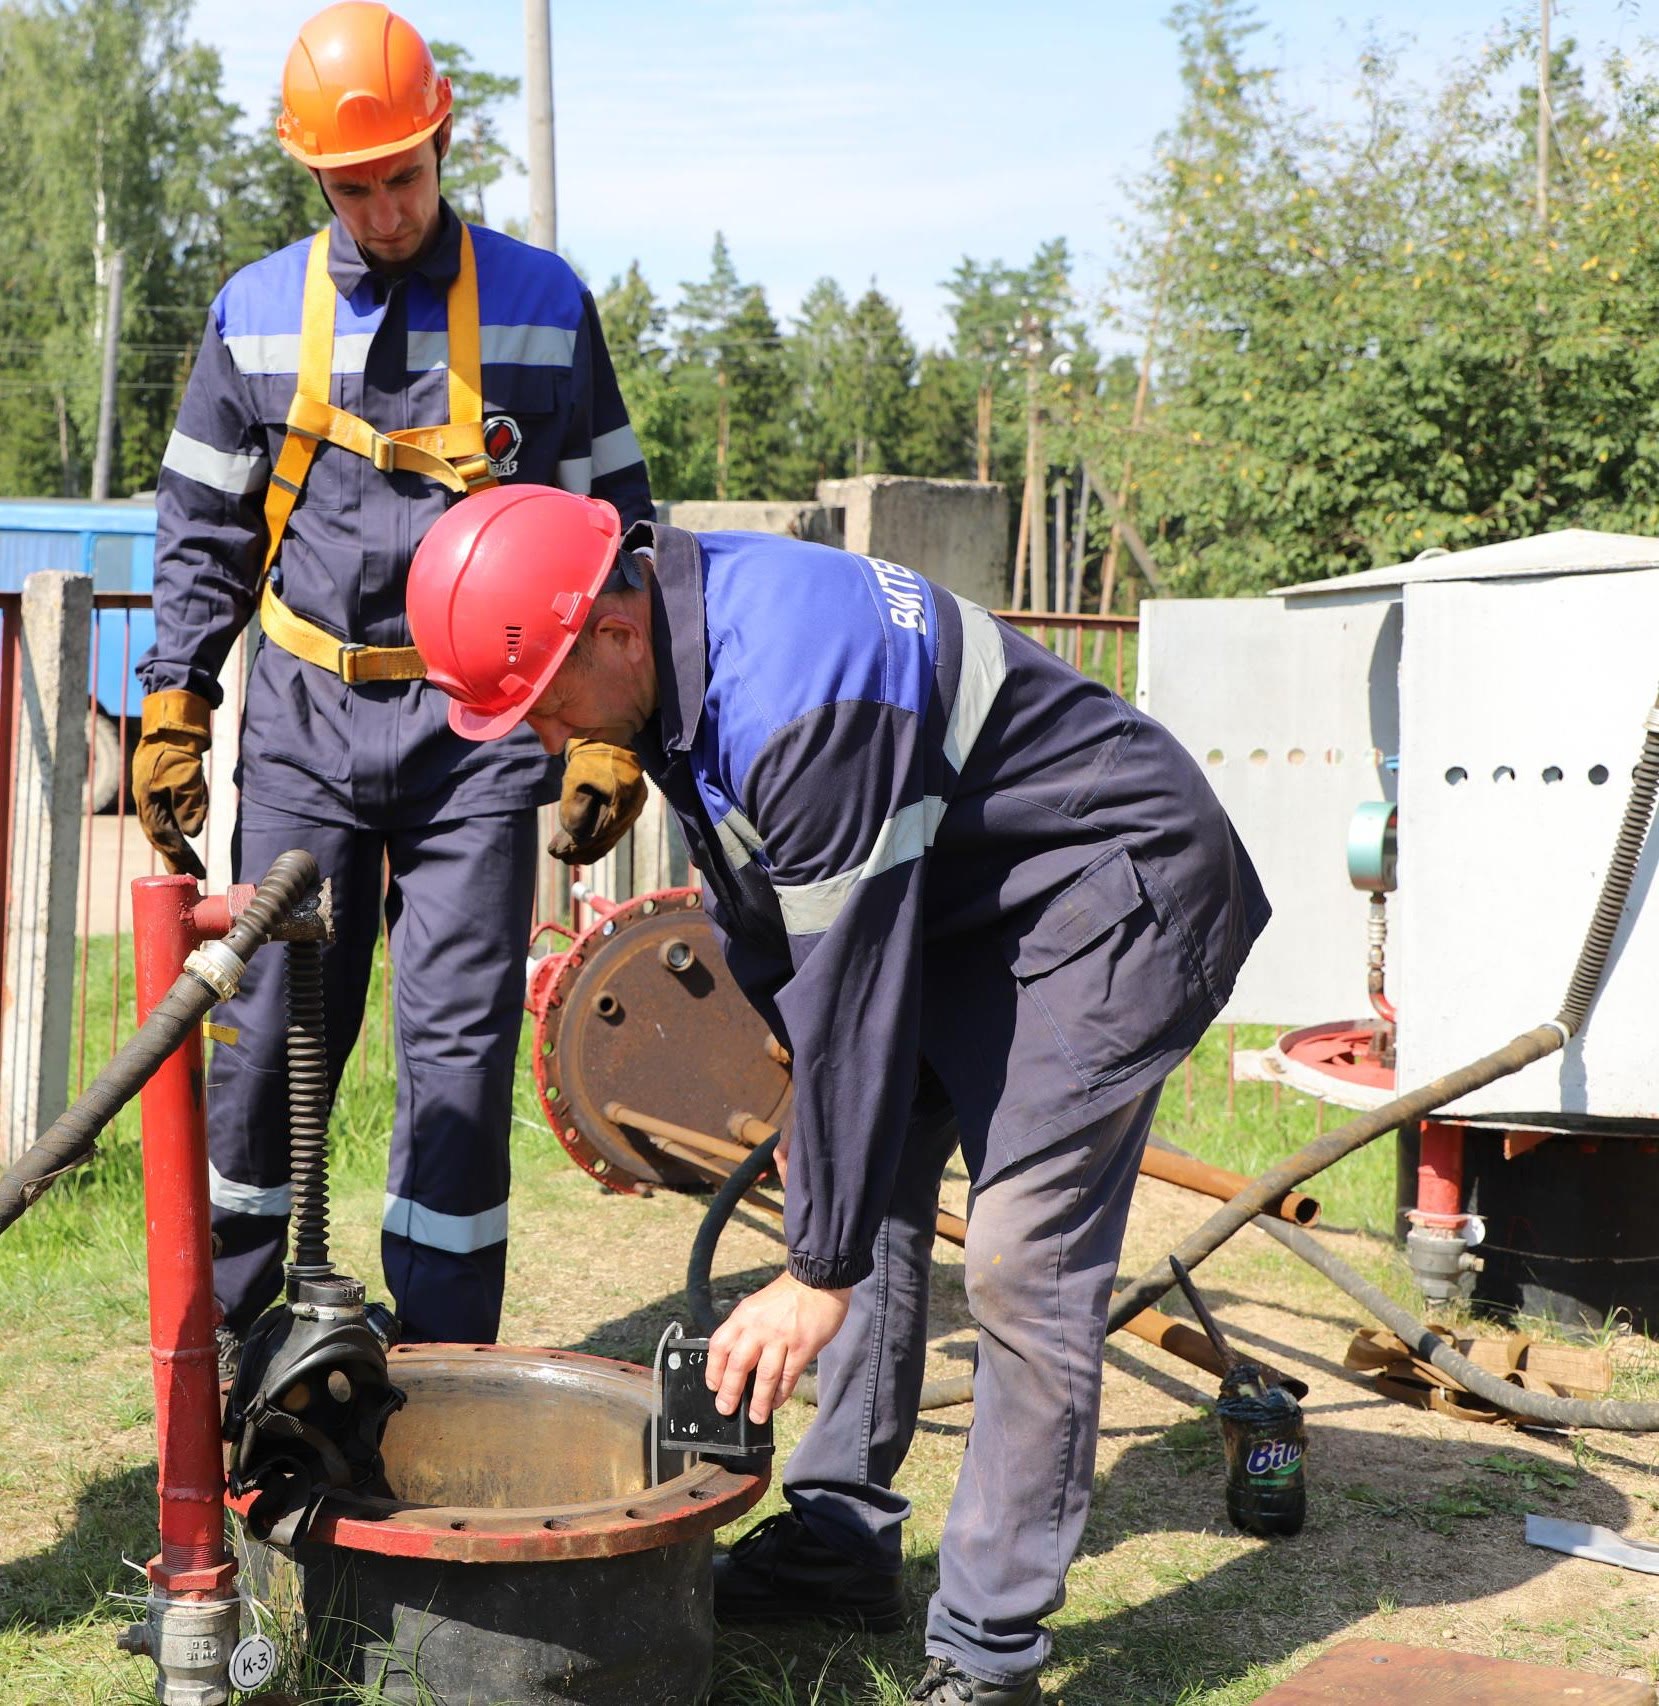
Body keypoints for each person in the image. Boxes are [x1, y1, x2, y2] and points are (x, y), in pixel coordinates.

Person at [404, 484, 1271, 1705]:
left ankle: (989, 1647)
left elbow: (849, 987)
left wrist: (816, 1270)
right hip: (971, 899)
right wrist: (832, 1204)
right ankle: (840, 1540)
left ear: (610, 628)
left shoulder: (801, 692)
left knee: (1022, 1260)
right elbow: (803, 957)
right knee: (863, 1174)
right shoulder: (684, 629)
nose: (548, 738)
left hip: (1112, 888)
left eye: (543, 703)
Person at [131, 3, 653, 1358]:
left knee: (459, 1064)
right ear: (315, 179)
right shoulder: (251, 318)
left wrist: (609, 734)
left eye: (403, 178)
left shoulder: (544, 306)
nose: (382, 209)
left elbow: (614, 527)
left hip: (479, 740)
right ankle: (246, 1363)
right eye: (352, 188)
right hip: (304, 727)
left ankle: (436, 1371)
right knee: (259, 1049)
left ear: (442, 143)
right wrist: (177, 697)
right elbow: (201, 528)